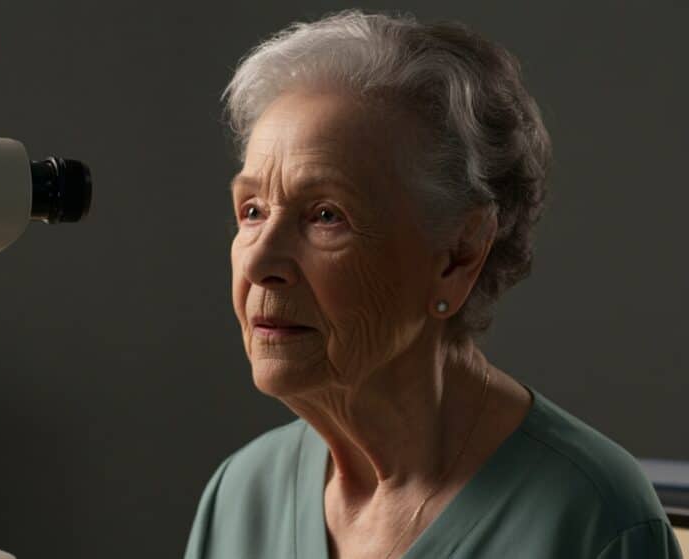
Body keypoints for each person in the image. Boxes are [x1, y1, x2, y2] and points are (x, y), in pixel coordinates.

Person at [183, 10, 682, 559]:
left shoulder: (592, 519)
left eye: (326, 215)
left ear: (459, 255)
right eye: (252, 210)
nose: (260, 262)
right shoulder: (242, 492)